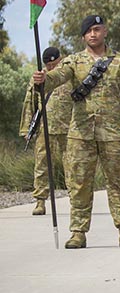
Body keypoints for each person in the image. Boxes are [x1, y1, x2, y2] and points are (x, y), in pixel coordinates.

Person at [33, 15, 120, 249]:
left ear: (105, 32)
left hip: (113, 135)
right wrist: (43, 80)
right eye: (89, 31)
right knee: (80, 184)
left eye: (97, 29)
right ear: (83, 36)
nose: (93, 34)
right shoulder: (73, 62)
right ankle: (78, 232)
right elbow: (57, 77)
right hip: (80, 134)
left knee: (117, 183)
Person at [19, 47, 71, 215]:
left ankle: (76, 201)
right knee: (41, 165)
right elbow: (30, 102)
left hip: (69, 128)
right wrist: (26, 129)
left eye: (54, 64)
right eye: (48, 65)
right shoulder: (39, 78)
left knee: (72, 165)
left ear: (60, 60)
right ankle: (40, 201)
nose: (51, 69)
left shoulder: (69, 75)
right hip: (45, 129)